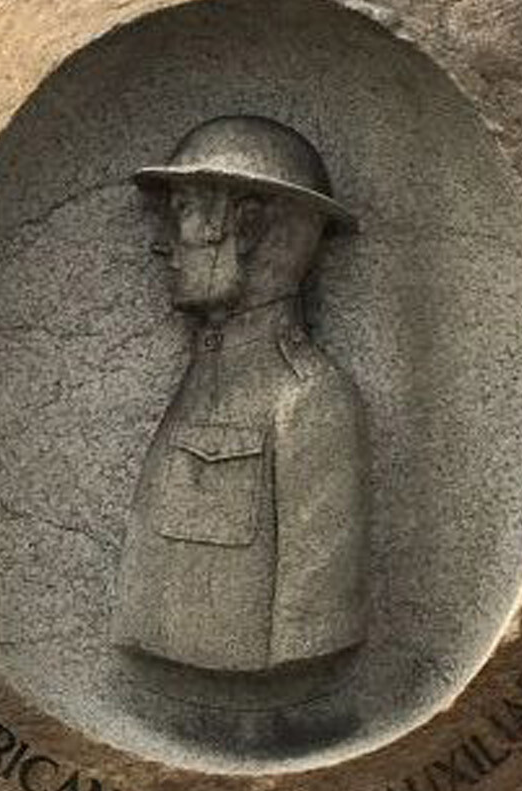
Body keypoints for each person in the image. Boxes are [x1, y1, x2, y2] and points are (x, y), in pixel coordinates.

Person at [113, 116, 368, 674]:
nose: (161, 244)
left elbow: (314, 631)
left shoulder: (308, 400)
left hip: (248, 699)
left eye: (182, 213)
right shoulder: (204, 378)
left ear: (247, 229)